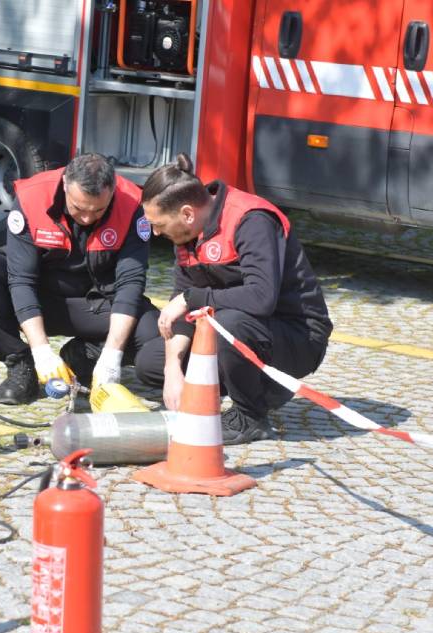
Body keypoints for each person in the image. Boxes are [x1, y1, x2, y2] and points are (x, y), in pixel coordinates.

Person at [133, 154, 332, 444]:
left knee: (226, 324)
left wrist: (193, 298)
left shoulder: (251, 220)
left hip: (297, 334)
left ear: (187, 213)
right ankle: (262, 385)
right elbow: (183, 306)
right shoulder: (187, 236)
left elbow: (262, 298)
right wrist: (172, 369)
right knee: (150, 362)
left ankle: (250, 416)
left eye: (158, 223)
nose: (155, 232)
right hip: (247, 328)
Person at [0, 153, 161, 405]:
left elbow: (130, 284)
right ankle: (22, 365)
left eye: (98, 210)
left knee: (155, 336)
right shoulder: (33, 197)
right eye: (79, 208)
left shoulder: (131, 205)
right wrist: (41, 351)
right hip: (41, 302)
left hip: (97, 305)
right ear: (65, 185)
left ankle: (85, 356)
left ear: (112, 193)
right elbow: (21, 280)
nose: (87, 218)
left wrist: (112, 355)